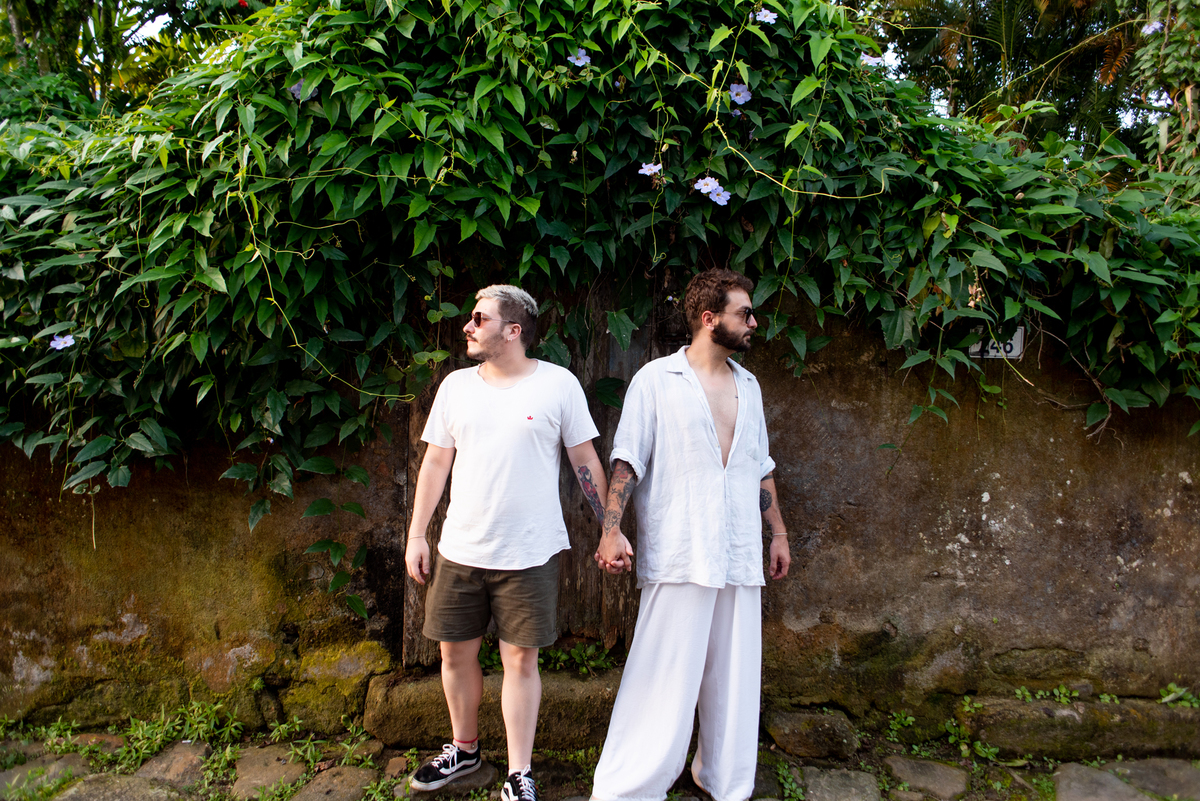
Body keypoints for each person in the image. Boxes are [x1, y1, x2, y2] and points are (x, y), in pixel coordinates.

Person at [590, 268, 791, 801]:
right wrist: (611, 530)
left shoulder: (749, 386)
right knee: (662, 675)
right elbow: (627, 461)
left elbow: (760, 467)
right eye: (744, 313)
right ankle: (630, 787)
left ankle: (723, 780)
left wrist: (777, 532)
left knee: (734, 678)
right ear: (709, 319)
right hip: (681, 547)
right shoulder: (656, 380)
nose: (754, 322)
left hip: (739, 551)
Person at [405, 284, 608, 801]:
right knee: (455, 656)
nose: (467, 326)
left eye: (480, 318)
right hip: (460, 549)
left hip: (529, 552)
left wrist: (610, 528)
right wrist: (417, 534)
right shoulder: (456, 387)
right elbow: (435, 463)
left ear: (513, 331)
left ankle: (519, 773)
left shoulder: (558, 385)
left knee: (520, 662)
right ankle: (465, 749)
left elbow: (584, 459)